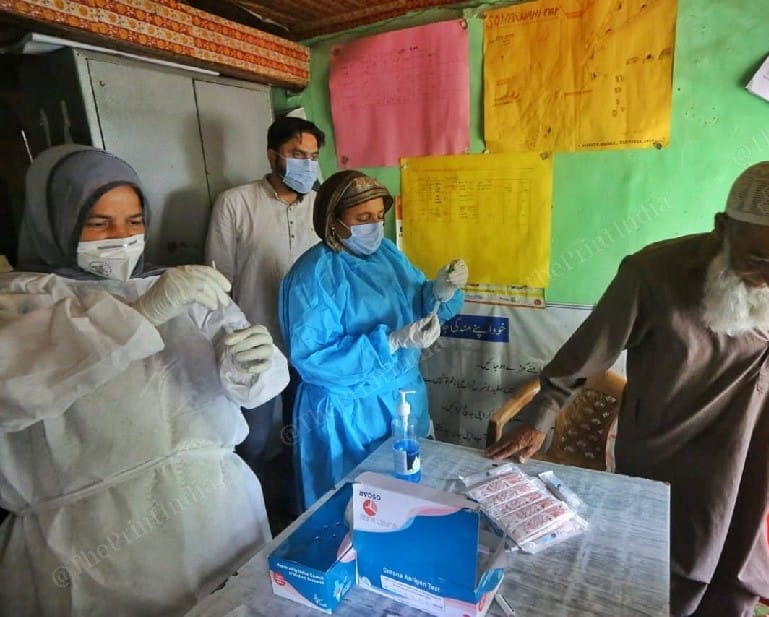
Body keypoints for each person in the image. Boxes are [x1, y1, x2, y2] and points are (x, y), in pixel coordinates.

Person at [486, 161, 769, 617]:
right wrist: (539, 415)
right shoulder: (654, 272)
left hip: (751, 448)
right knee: (663, 564)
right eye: (759, 259)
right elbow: (590, 350)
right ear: (723, 228)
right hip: (667, 448)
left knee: (735, 556)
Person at [0, 145, 289, 616]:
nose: (122, 238)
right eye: (99, 223)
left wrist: (253, 369)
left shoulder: (178, 286)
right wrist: (137, 317)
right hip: (99, 549)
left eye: (135, 222)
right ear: (57, 220)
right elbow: (15, 389)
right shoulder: (21, 303)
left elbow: (249, 373)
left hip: (219, 513)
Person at [279, 170, 467, 509]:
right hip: (348, 410)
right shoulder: (312, 277)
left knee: (409, 496)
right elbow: (315, 360)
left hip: (401, 397)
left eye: (379, 216)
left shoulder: (387, 254)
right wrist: (390, 342)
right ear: (332, 221)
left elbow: (418, 300)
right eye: (363, 218)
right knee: (353, 509)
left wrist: (441, 291)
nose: (374, 226)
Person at [204, 116, 326, 484]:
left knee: (301, 433)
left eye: (313, 156)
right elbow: (219, 281)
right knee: (253, 439)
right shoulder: (235, 203)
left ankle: (294, 503)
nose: (307, 164)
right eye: (297, 154)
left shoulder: (321, 207)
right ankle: (251, 506)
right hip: (256, 342)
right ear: (273, 156)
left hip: (308, 344)